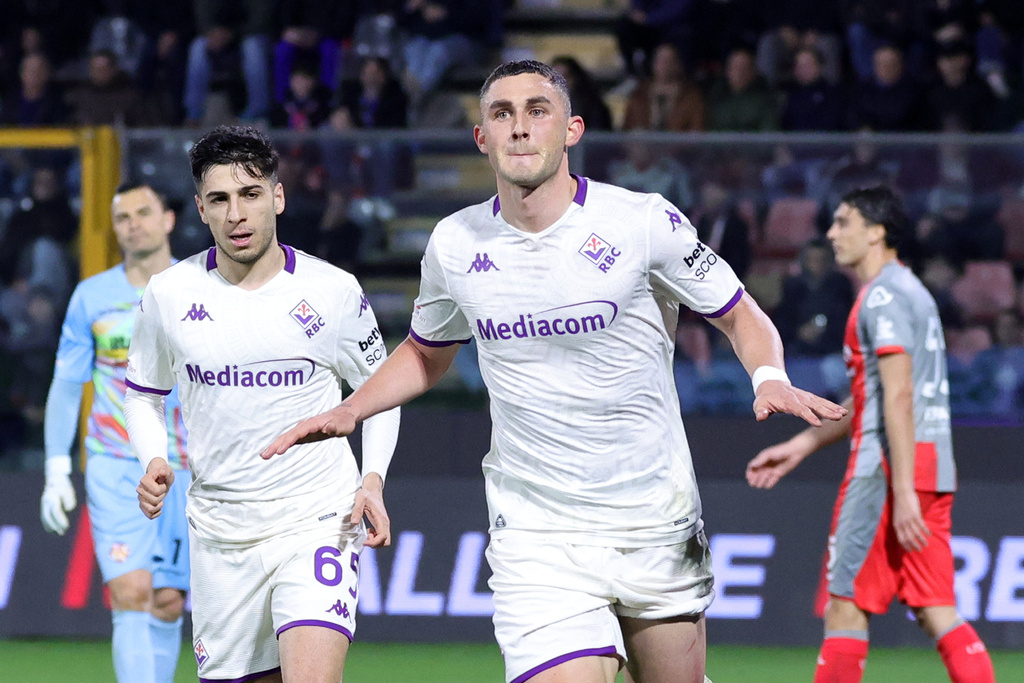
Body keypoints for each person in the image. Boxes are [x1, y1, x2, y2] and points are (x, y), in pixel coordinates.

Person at [261, 60, 846, 683]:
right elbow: (426, 352)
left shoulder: (643, 222)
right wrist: (354, 408)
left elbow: (739, 314)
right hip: (535, 532)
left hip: (652, 515)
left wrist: (769, 377)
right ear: (482, 138)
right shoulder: (455, 243)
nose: (519, 128)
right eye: (502, 114)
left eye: (537, 111)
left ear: (572, 129)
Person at [126, 125, 400, 683]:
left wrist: (372, 478)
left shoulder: (333, 291)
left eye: (250, 195)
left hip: (317, 519)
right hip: (220, 533)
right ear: (201, 209)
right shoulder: (169, 294)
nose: (236, 214)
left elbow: (381, 393)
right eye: (220, 200)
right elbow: (144, 394)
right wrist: (153, 458)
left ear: (277, 196)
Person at [746, 185, 996, 683]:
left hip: (885, 472)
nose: (832, 234)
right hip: (931, 464)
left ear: (876, 231)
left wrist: (899, 492)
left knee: (845, 609)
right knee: (936, 609)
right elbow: (877, 396)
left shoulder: (880, 297)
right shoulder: (913, 292)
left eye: (844, 222)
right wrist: (804, 443)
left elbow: (898, 397)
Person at [39, 183, 190, 683]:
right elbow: (66, 385)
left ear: (169, 219)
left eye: (143, 212)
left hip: (186, 466)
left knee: (168, 602)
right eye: (122, 216)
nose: (133, 224)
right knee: (130, 594)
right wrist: (57, 468)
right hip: (114, 462)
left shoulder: (202, 289)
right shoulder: (92, 297)